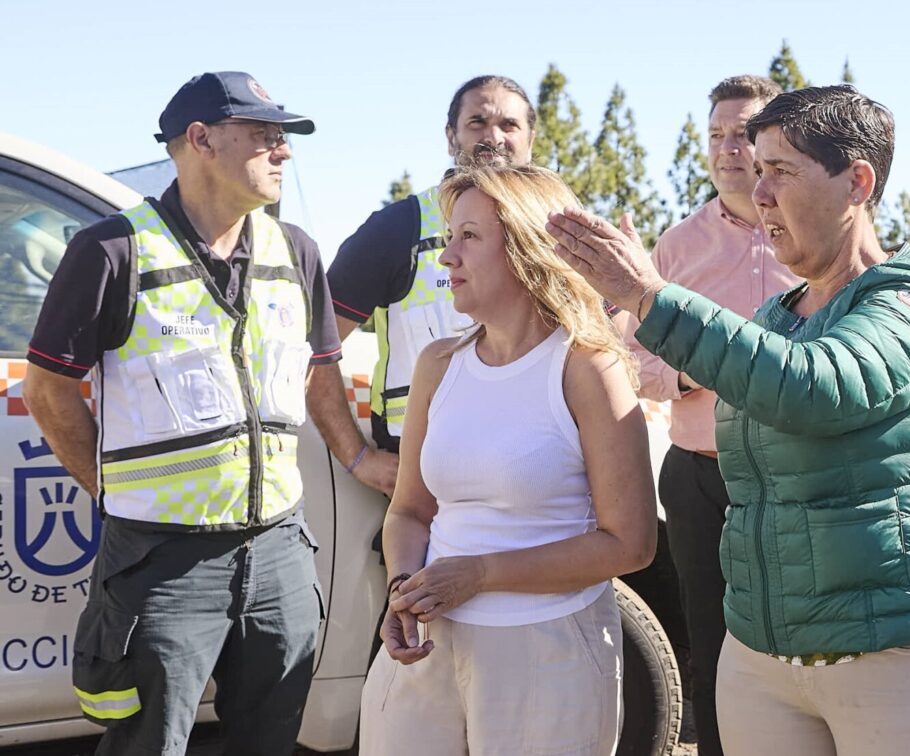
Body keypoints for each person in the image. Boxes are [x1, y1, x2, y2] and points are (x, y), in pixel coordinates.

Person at [549, 84, 910, 756]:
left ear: (858, 182)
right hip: (766, 661)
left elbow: (817, 390)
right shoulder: (774, 318)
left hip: (905, 656)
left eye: (782, 172)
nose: (759, 192)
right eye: (757, 171)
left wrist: (650, 296)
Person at [22, 71, 344, 756]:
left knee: (272, 739)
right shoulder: (113, 251)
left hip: (281, 551)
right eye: (264, 136)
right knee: (151, 743)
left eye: (282, 138)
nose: (282, 151)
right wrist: (114, 491)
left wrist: (366, 455)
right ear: (201, 139)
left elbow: (322, 379)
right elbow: (49, 391)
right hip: (163, 561)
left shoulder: (299, 254)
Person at [358, 165, 657, 755]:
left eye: (468, 237)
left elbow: (631, 544)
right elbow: (410, 512)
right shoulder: (437, 365)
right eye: (449, 237)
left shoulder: (587, 368)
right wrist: (401, 588)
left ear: (526, 248)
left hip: (548, 653)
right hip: (426, 650)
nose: (447, 257)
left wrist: (480, 573)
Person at [621, 73, 795, 756]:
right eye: (717, 135)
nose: (729, 149)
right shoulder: (675, 249)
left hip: (792, 480)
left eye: (744, 134)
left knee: (791, 642)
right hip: (697, 479)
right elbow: (635, 360)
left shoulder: (818, 236)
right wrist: (698, 366)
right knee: (714, 644)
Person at [322, 75, 537, 499]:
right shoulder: (398, 229)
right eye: (477, 122)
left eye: (509, 125)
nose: (493, 136)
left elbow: (607, 343)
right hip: (429, 496)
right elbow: (311, 349)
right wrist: (358, 458)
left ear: (531, 137)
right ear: (450, 136)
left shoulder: (561, 229)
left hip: (543, 481)